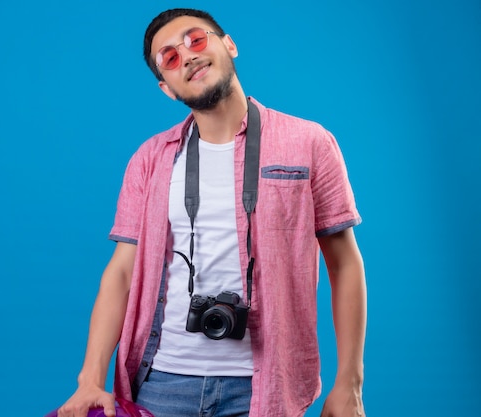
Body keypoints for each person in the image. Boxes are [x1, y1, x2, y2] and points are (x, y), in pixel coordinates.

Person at [58, 7, 367, 417]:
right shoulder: (150, 159)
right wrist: (90, 379)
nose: (185, 56)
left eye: (195, 39)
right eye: (168, 58)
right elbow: (121, 272)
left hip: (266, 387)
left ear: (229, 44)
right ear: (166, 87)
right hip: (160, 383)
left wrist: (350, 382)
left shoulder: (309, 142)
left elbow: (344, 263)